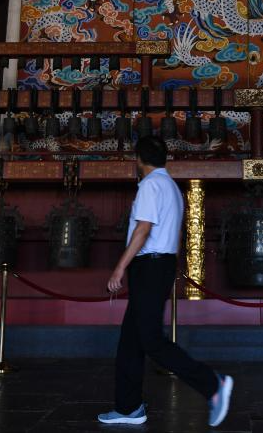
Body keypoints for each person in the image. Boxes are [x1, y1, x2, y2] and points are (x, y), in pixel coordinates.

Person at [98, 135, 234, 427]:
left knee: (151, 340)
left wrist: (119, 268)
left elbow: (143, 229)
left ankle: (213, 384)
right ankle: (128, 407)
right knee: (131, 341)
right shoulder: (171, 186)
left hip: (149, 265)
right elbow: (175, 234)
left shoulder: (150, 185)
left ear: (138, 159)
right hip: (161, 264)